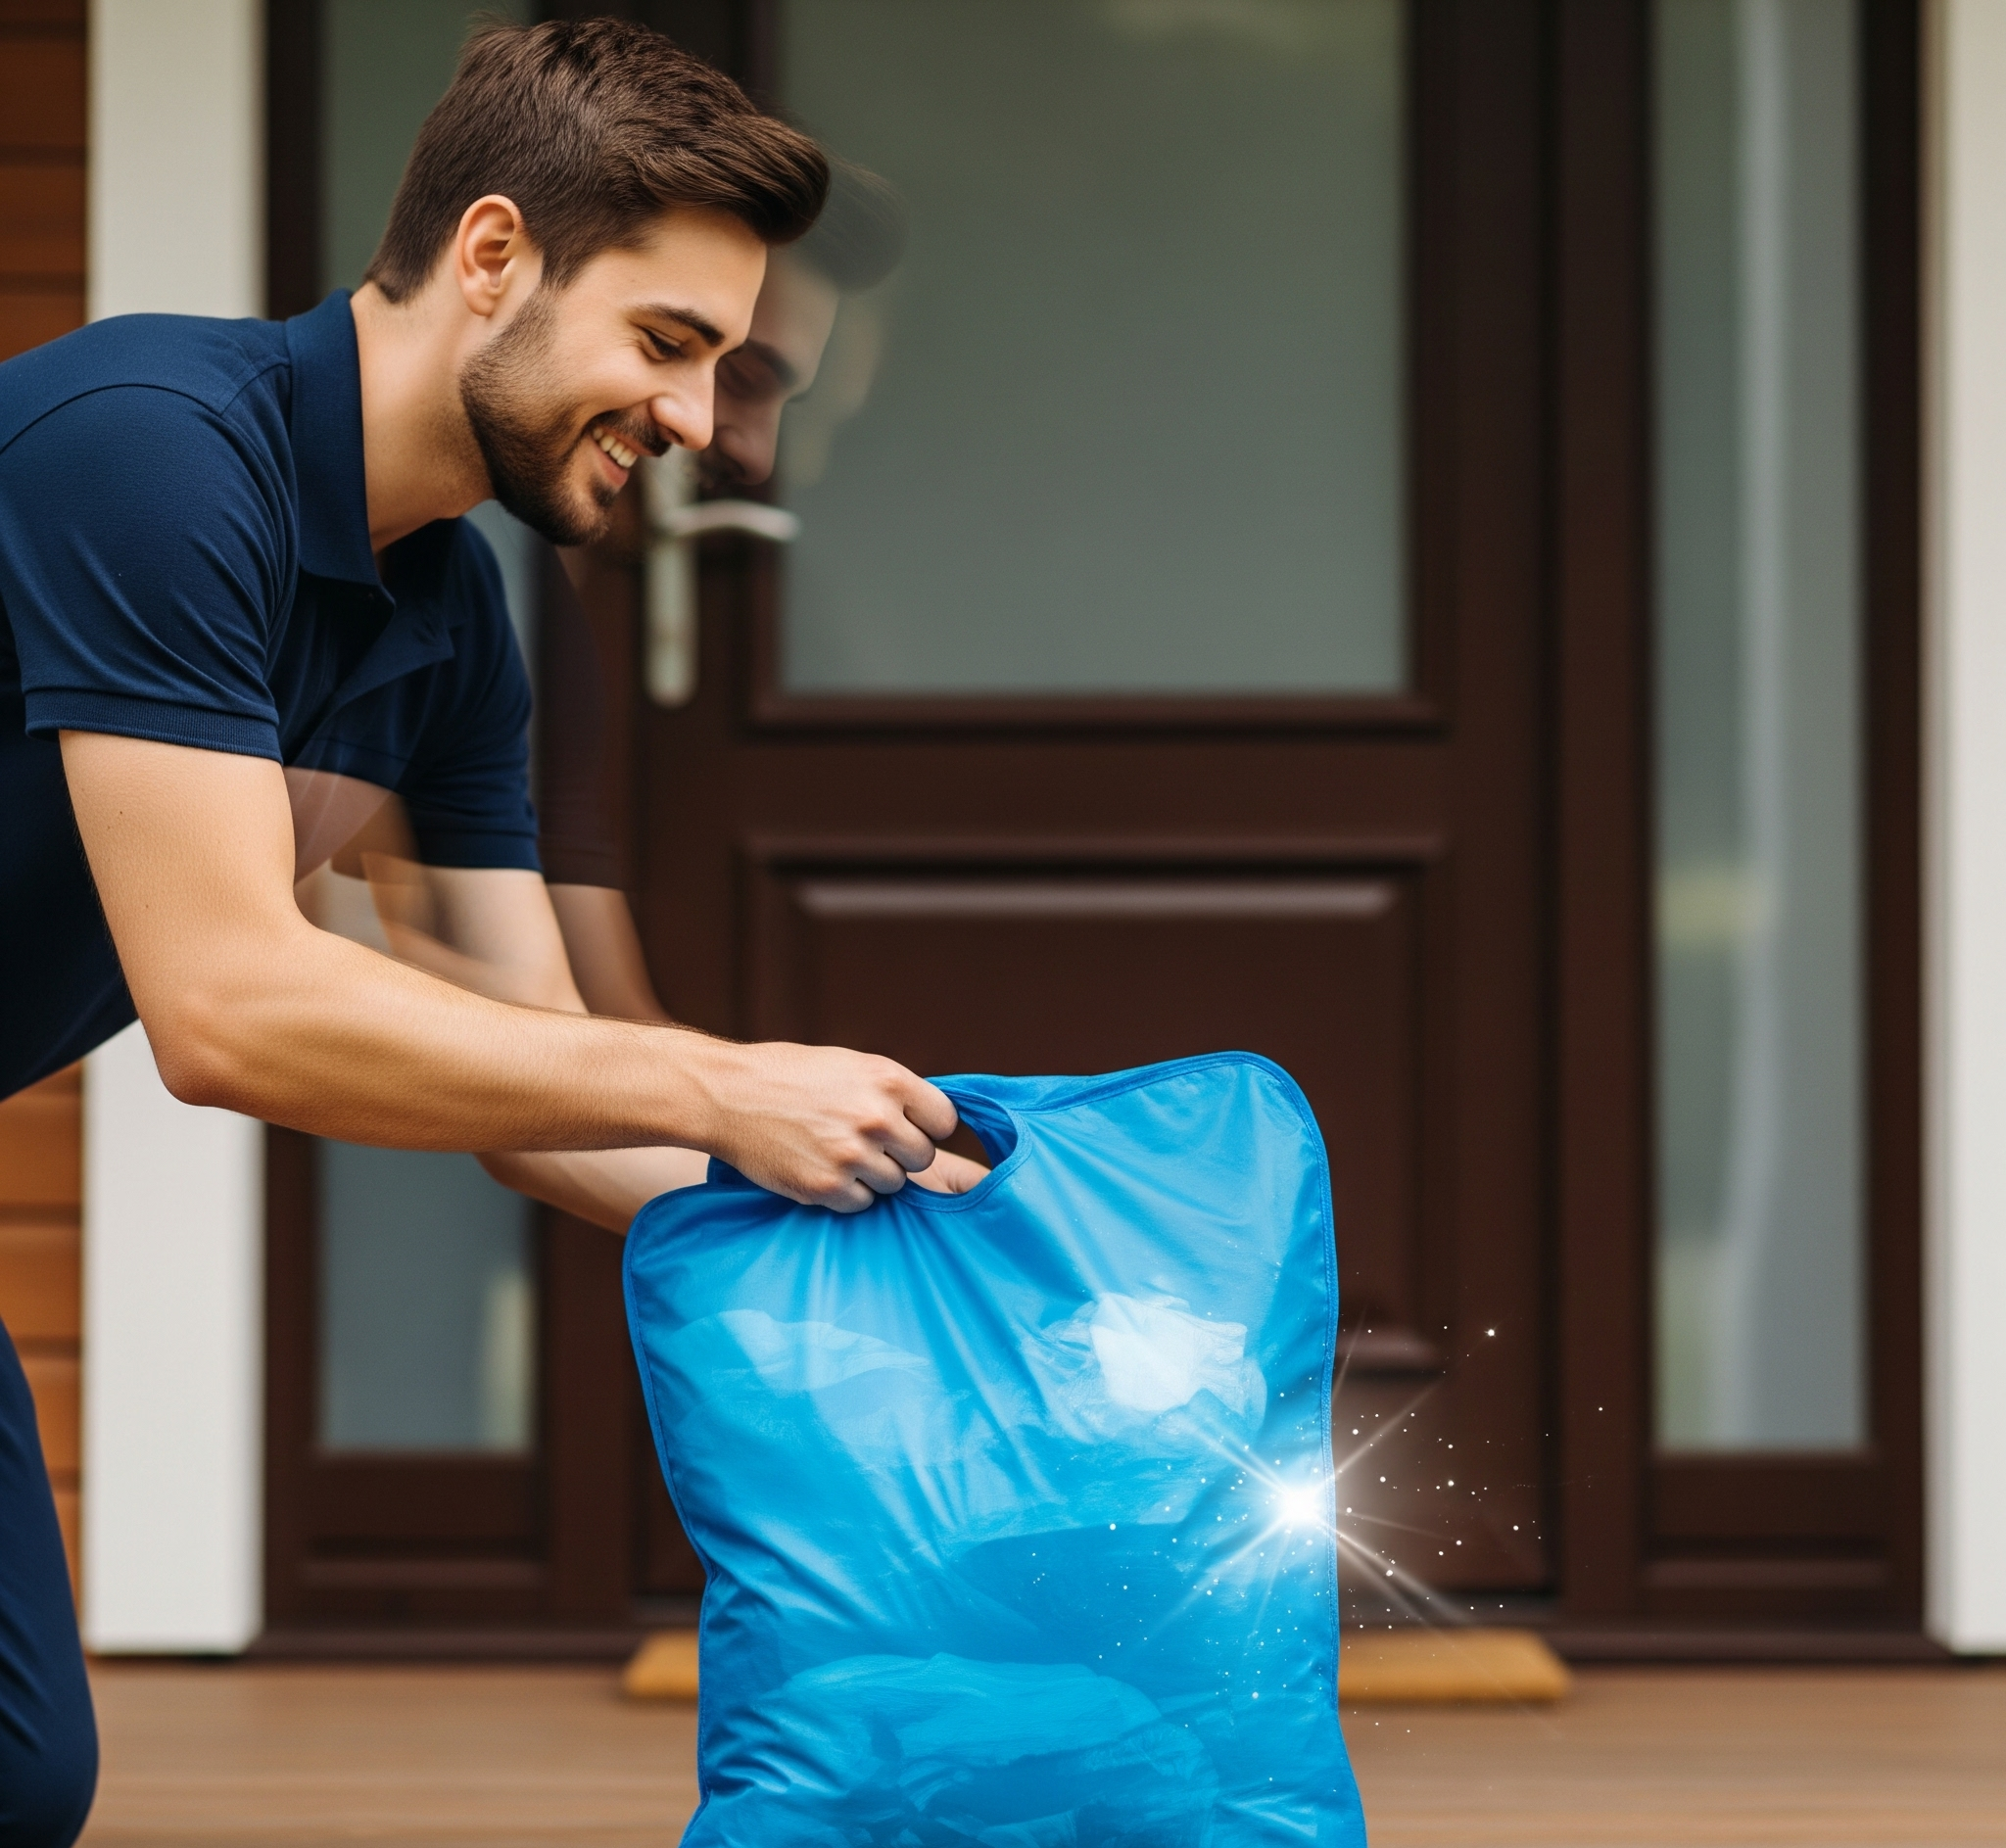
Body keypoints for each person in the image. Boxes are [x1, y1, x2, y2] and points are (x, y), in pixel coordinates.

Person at [0, 23, 971, 1844]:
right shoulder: (150, 452)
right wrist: (718, 1077)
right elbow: (224, 1008)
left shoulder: (449, 613)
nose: (697, 420)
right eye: (670, 345)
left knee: (17, 1771)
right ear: (496, 256)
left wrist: (911, 1248)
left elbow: (540, 1081)